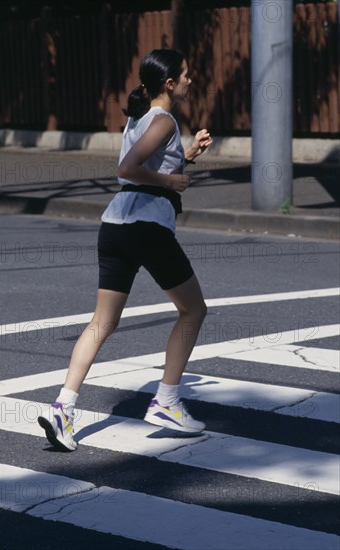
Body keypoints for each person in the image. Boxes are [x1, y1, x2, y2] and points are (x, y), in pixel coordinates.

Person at [38, 49, 213, 451]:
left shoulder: (140, 115)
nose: (190, 80)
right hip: (146, 228)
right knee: (194, 309)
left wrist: (185, 158)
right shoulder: (166, 118)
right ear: (169, 84)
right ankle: (167, 400)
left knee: (103, 321)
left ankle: (62, 407)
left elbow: (145, 164)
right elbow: (129, 169)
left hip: (114, 226)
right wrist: (171, 183)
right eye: (185, 75)